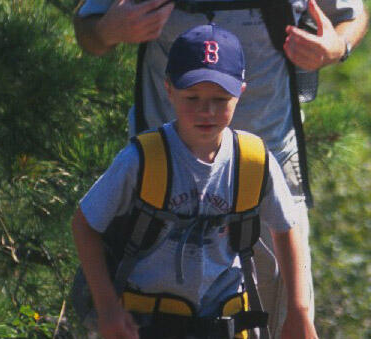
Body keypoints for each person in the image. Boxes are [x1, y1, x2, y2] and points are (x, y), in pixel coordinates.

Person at [73, 0, 368, 334]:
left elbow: (353, 14)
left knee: (279, 324)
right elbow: (87, 32)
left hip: (266, 166)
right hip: (160, 180)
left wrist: (333, 48)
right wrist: (112, 29)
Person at [71, 24, 317, 338]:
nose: (206, 110)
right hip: (148, 324)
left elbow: (286, 227)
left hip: (225, 324)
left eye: (220, 98)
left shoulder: (253, 161)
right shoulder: (144, 159)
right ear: (169, 89)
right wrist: (107, 307)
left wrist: (297, 310)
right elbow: (84, 223)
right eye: (192, 96)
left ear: (240, 92)